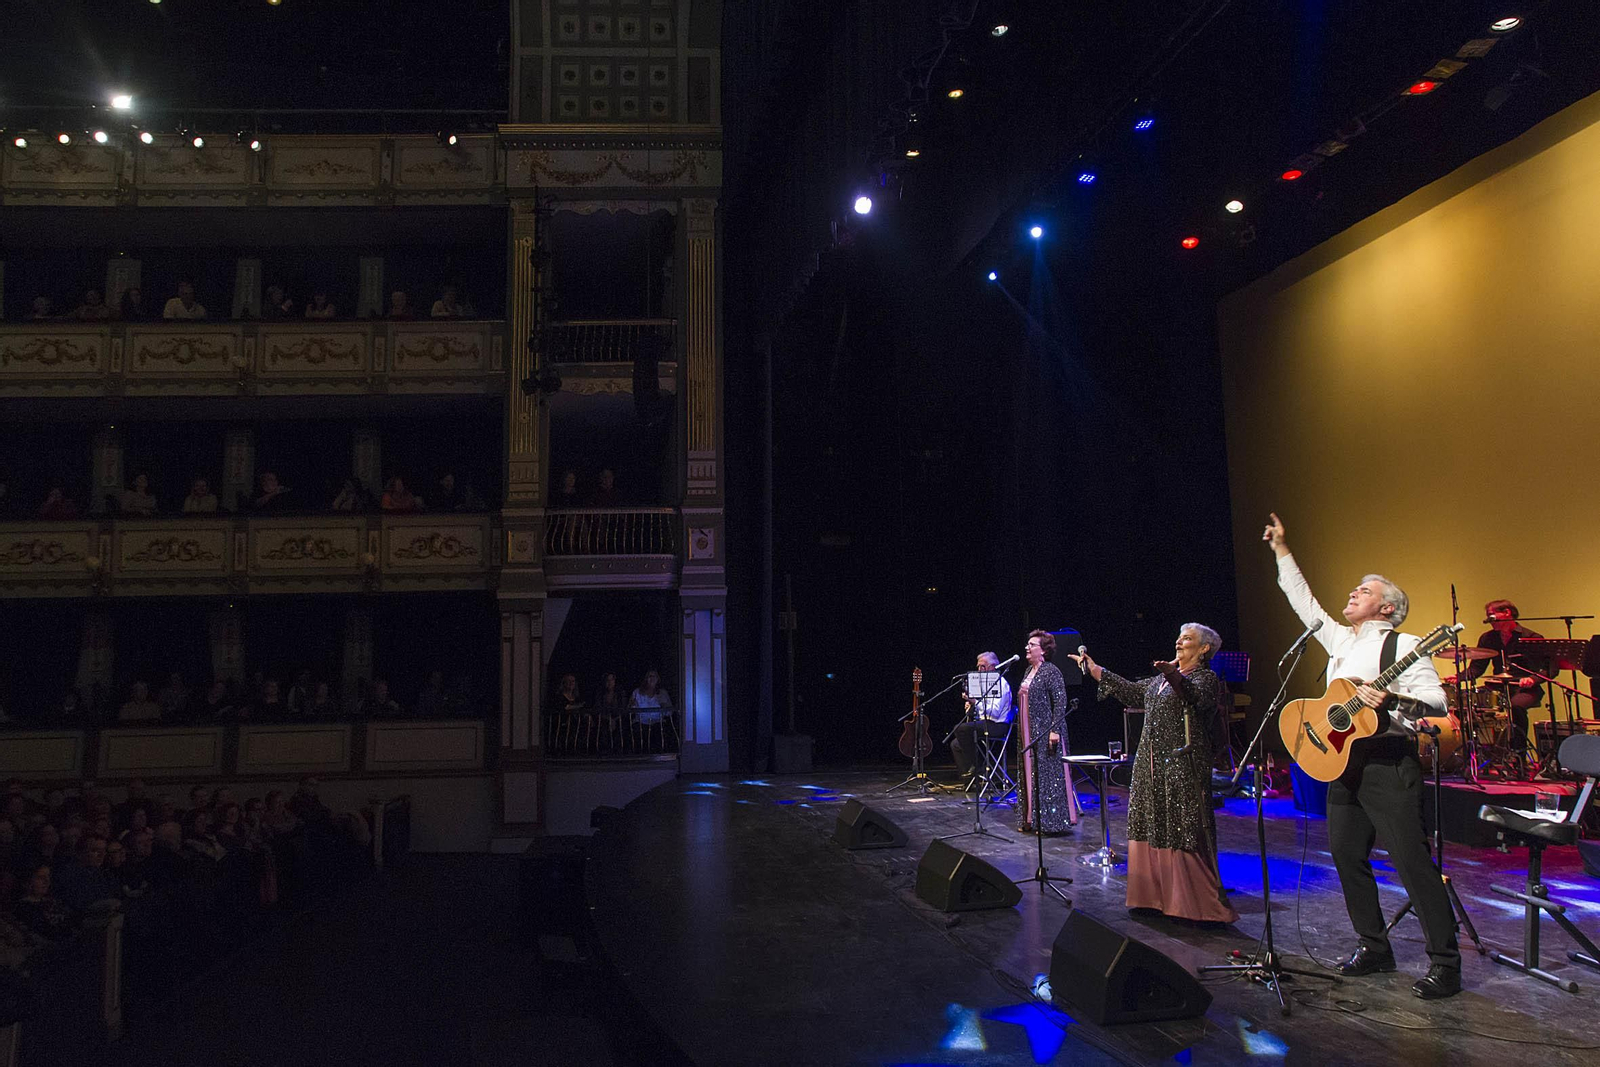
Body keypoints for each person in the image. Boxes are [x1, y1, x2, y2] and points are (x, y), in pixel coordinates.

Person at [1264, 511, 1460, 999]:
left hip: (1388, 763)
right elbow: (1302, 602)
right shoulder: (1340, 639)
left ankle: (1446, 963)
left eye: (1365, 590)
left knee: (1411, 862)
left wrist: (1392, 700)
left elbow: (1437, 704)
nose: (1353, 593)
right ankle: (1374, 946)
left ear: (1388, 608)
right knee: (1347, 855)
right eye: (1356, 588)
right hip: (1343, 763)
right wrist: (1281, 550)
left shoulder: (1405, 645)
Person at [1075, 626, 1238, 923]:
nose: (1178, 641)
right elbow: (1133, 693)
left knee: (1182, 825)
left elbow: (1195, 699)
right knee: (1151, 823)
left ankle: (1192, 903)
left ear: (1204, 649)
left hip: (1182, 765)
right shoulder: (1160, 680)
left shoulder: (1205, 678)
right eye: (1178, 636)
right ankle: (1153, 896)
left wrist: (1173, 675)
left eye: (1187, 638)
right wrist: (1094, 668)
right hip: (1150, 767)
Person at [1461, 599, 1543, 766]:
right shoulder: (1488, 638)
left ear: (1507, 613)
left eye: (1492, 616)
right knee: (1468, 703)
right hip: (1497, 687)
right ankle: (1480, 756)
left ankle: (1518, 756)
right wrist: (1458, 677)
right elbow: (1477, 669)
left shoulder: (1531, 637)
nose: (1490, 621)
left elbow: (1549, 669)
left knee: (1516, 707)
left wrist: (1532, 679)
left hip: (1525, 688)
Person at [1016, 630, 1078, 834]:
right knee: (1029, 773)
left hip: (1045, 730)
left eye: (1032, 644)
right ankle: (1030, 818)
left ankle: (1051, 822)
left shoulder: (1051, 671)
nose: (1027, 647)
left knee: (1047, 776)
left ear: (1043, 651)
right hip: (1027, 731)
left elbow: (1060, 702)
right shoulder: (1028, 671)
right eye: (1028, 644)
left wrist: (1054, 730)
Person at [949, 651, 1014, 781]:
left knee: (960, 729)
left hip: (997, 725)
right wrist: (970, 707)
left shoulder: (1001, 684)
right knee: (955, 744)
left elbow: (994, 713)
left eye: (982, 666)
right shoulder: (983, 684)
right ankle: (971, 780)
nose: (979, 670)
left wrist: (976, 702)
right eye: (978, 666)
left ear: (992, 667)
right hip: (985, 723)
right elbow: (979, 711)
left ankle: (979, 767)